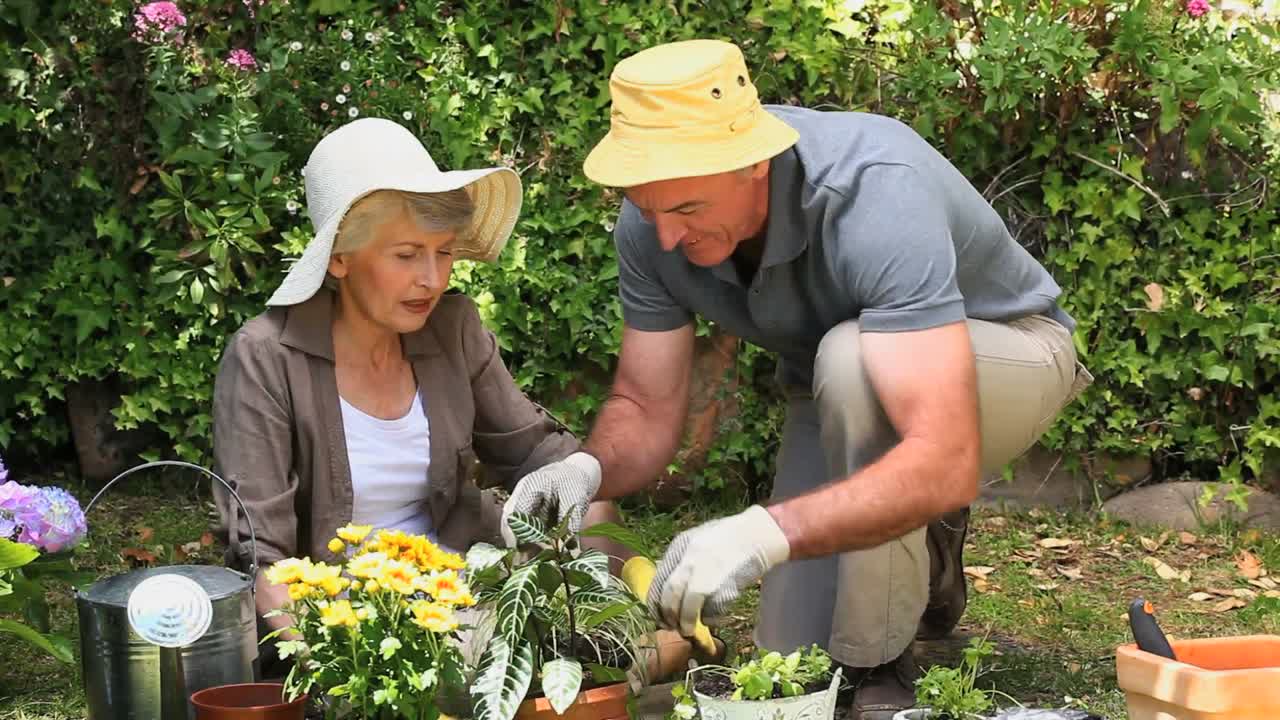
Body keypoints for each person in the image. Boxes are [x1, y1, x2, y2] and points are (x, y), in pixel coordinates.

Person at [502, 40, 1093, 719]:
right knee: (789, 666)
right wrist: (583, 469)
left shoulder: (873, 188)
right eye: (646, 206)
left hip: (1011, 356)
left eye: (687, 210)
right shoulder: (652, 226)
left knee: (852, 361)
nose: (665, 237)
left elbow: (945, 460)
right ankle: (912, 547)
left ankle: (879, 669)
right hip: (840, 389)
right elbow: (644, 403)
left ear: (755, 162)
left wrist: (758, 533)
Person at [211, 117, 623, 675]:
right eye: (406, 255)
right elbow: (264, 565)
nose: (432, 279)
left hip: (470, 595)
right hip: (349, 627)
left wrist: (575, 484)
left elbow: (537, 454)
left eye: (444, 253)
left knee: (595, 511)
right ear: (340, 258)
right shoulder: (265, 357)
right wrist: (341, 671)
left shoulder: (452, 327)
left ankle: (606, 651)